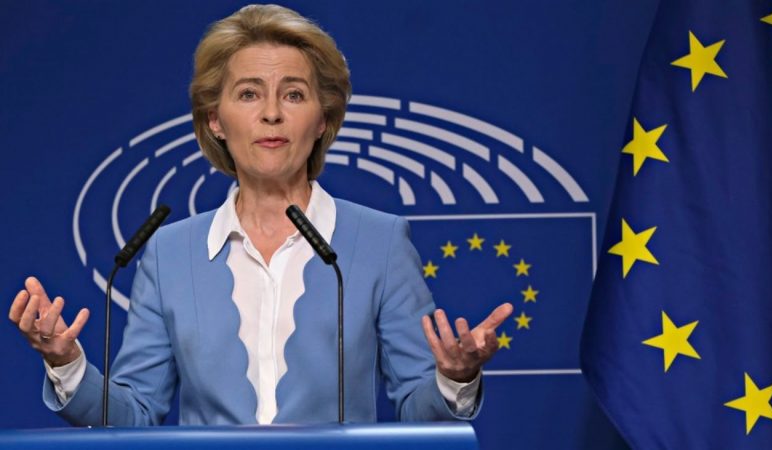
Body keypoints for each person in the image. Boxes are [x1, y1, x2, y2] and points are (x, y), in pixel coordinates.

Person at [8, 4, 513, 426]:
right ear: (215, 120)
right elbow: (133, 415)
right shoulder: (169, 254)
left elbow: (421, 414)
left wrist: (455, 378)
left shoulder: (378, 242)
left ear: (323, 120)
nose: (271, 113)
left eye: (293, 94)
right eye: (249, 93)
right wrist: (67, 364)